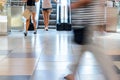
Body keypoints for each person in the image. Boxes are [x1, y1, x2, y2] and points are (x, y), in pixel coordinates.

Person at [64, 0, 119, 80]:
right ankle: (72, 73)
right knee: (80, 50)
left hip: (87, 24)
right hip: (83, 23)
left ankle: (111, 77)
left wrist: (76, 4)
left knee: (97, 52)